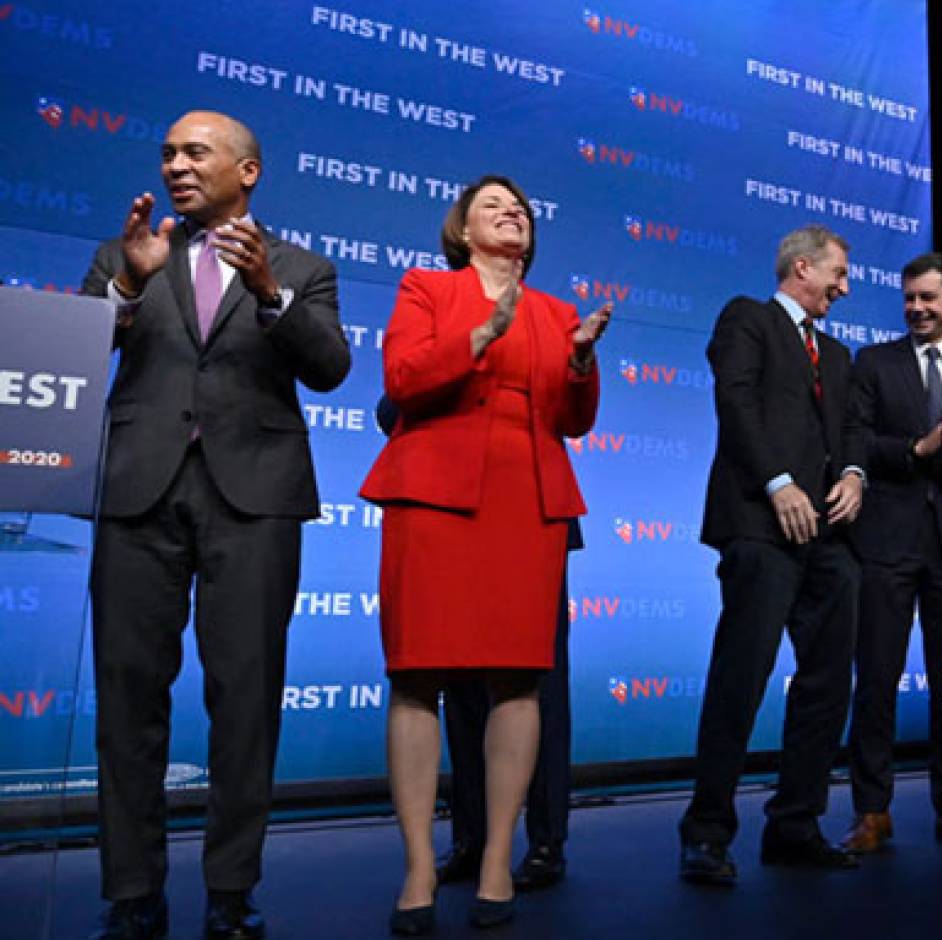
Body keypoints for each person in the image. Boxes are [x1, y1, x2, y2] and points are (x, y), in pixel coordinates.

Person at [79, 109, 350, 940]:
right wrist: (126, 288)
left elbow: (331, 368)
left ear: (248, 170)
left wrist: (270, 294)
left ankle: (231, 892)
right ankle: (133, 896)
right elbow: (76, 359)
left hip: (254, 499)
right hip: (137, 494)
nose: (176, 166)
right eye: (167, 153)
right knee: (128, 698)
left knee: (246, 699)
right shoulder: (123, 255)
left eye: (196, 152)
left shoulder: (302, 266)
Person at [360, 175, 610, 932]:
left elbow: (573, 421)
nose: (513, 215)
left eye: (522, 210)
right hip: (434, 495)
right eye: (493, 208)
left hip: (525, 504)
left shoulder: (557, 311)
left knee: (519, 684)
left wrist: (578, 363)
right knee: (415, 680)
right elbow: (402, 380)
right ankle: (417, 867)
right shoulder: (427, 289)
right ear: (463, 231)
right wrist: (477, 336)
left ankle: (500, 856)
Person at [678, 224, 866, 886]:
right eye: (839, 274)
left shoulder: (839, 356)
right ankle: (706, 832)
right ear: (802, 267)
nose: (844, 288)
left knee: (826, 682)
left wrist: (852, 475)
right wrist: (778, 483)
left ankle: (795, 823)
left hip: (830, 540)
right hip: (760, 526)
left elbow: (850, 432)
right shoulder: (747, 318)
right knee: (742, 677)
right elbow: (734, 402)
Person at [373, 399, 579, 892]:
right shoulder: (438, 332)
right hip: (450, 509)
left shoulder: (543, 326)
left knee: (535, 685)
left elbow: (570, 410)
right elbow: (391, 409)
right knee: (460, 684)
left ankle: (545, 842)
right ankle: (471, 839)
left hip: (529, 511)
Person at [839, 253, 942, 854]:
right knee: (877, 680)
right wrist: (919, 446)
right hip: (888, 539)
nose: (916, 308)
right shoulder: (874, 362)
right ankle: (871, 811)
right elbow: (854, 440)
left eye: (928, 299)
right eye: (909, 298)